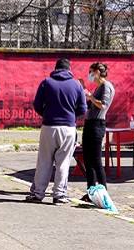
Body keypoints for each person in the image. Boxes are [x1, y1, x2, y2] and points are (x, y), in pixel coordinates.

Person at [25, 58, 87, 204]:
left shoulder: (46, 82)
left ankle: (38, 193)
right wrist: (71, 116)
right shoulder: (77, 85)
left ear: (56, 68)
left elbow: (37, 104)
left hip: (49, 126)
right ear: (69, 69)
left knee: (44, 161)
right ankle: (59, 195)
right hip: (68, 128)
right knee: (63, 162)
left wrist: (46, 114)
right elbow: (83, 109)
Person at [81, 62, 115, 201]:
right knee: (88, 160)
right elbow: (92, 104)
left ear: (97, 72)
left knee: (95, 160)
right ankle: (91, 191)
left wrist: (90, 96)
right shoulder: (98, 87)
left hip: (97, 125)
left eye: (91, 72)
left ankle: (103, 190)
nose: (89, 75)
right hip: (90, 124)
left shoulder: (106, 86)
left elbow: (103, 105)